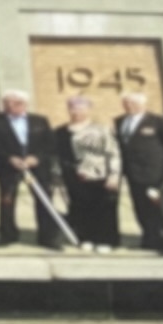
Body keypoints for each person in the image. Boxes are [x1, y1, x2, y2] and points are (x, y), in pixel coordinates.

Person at [0, 91, 63, 250]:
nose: (11, 106)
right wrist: (8, 158)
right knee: (7, 200)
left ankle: (47, 237)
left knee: (44, 200)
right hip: (8, 167)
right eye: (7, 103)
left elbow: (50, 144)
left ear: (25, 104)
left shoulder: (39, 121)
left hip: (37, 167)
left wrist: (37, 158)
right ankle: (7, 235)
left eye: (16, 103)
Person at [114, 89, 163, 254]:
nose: (129, 106)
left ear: (142, 104)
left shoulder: (159, 121)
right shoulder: (120, 121)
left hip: (158, 171)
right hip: (133, 172)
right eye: (126, 103)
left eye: (133, 103)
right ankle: (151, 238)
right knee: (141, 207)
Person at [60, 91, 122, 251]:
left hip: (100, 173)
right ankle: (86, 237)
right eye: (73, 109)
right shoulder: (61, 131)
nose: (77, 112)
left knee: (103, 208)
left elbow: (113, 153)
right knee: (80, 208)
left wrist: (114, 175)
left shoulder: (101, 129)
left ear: (88, 110)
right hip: (74, 176)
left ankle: (106, 240)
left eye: (81, 109)